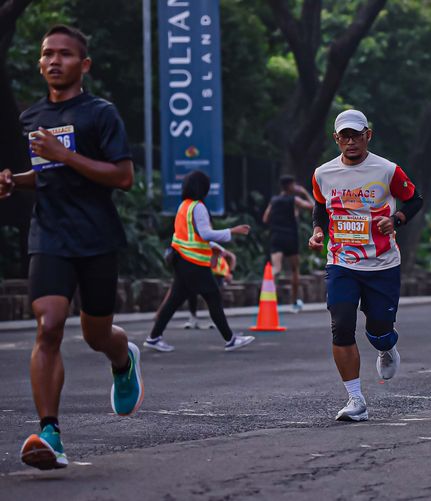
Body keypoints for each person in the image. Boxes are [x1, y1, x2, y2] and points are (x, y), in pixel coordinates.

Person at [0, 25, 143, 470]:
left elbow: (123, 177)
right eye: (47, 54)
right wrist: (14, 181)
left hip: (96, 235)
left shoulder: (101, 114)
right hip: (49, 235)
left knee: (97, 334)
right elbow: (45, 175)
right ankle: (50, 432)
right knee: (48, 326)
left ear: (84, 65)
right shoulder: (31, 117)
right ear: (39, 63)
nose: (54, 61)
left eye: (64, 54)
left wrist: (65, 155)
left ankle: (122, 357)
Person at [308, 109, 423, 421]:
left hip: (382, 264)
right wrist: (318, 231)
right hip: (341, 262)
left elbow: (415, 200)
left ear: (367, 136)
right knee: (341, 325)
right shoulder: (323, 173)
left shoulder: (387, 170)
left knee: (379, 330)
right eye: (344, 136)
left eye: (356, 135)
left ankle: (387, 347)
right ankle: (355, 399)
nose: (351, 142)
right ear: (336, 139)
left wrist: (396, 219)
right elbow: (320, 205)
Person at [143, 171, 255, 353]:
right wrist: (232, 231)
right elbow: (205, 233)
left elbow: (192, 235)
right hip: (193, 262)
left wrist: (215, 247)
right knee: (213, 297)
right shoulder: (198, 207)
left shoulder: (184, 206)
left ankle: (154, 337)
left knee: (175, 300)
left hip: (181, 258)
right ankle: (230, 339)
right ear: (202, 188)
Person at [263, 175, 314, 312]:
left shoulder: (274, 200)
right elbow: (312, 207)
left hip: (276, 237)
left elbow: (265, 218)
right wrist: (304, 192)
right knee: (295, 269)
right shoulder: (294, 200)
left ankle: (267, 296)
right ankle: (294, 301)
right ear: (290, 186)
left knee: (276, 269)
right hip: (290, 237)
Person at [179, 242, 236, 329]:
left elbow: (231, 256)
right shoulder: (194, 244)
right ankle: (193, 318)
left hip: (217, 274)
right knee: (192, 293)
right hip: (200, 272)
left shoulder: (211, 243)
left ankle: (215, 320)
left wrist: (231, 272)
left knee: (214, 298)